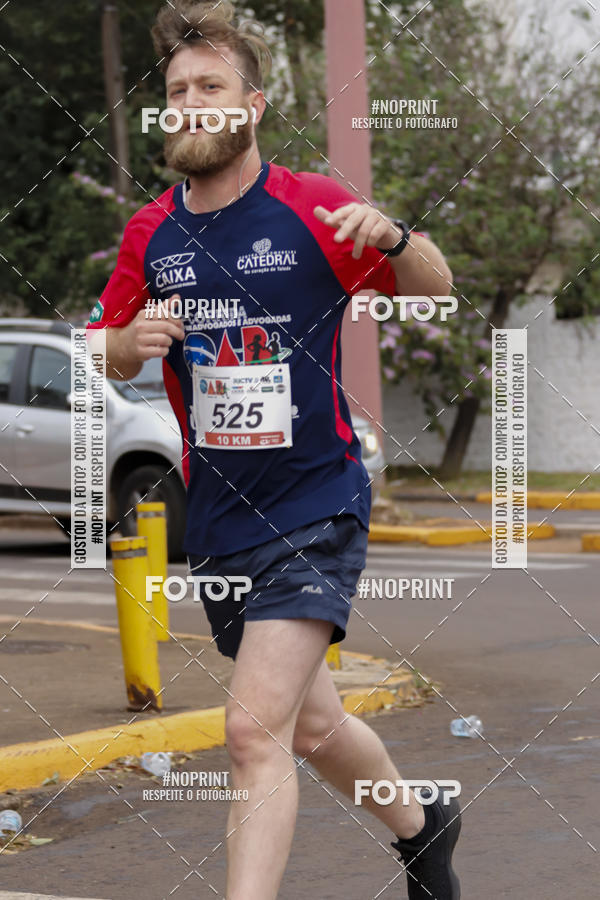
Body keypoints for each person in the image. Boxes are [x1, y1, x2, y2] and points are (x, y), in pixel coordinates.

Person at [87, 2, 461, 897]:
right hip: (221, 519)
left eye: (210, 86)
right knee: (312, 727)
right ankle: (423, 823)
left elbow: (435, 287)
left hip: (316, 501)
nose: (190, 103)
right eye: (178, 90)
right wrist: (123, 342)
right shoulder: (152, 234)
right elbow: (101, 345)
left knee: (253, 733)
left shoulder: (315, 207)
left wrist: (397, 238)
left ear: (252, 105)